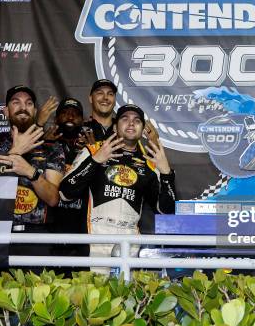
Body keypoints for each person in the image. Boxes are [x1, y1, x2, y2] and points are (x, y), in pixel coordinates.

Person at [59, 104, 176, 273]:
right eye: (125, 119)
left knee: (126, 296)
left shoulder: (150, 162)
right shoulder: (94, 149)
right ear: (115, 126)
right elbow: (65, 193)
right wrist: (95, 161)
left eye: (137, 121)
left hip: (129, 240)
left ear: (143, 129)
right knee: (94, 296)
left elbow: (166, 211)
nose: (131, 123)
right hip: (95, 238)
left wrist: (166, 174)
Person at [0, 85, 66, 270]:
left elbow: (53, 198)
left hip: (35, 238)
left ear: (35, 111)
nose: (23, 107)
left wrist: (31, 172)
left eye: (29, 103)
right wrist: (16, 152)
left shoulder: (51, 148)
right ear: (5, 111)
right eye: (16, 102)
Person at [47, 98, 90, 262]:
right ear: (56, 119)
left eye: (75, 114)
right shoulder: (45, 145)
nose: (70, 117)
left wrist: (94, 152)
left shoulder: (91, 147)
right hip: (51, 228)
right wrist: (47, 143)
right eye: (65, 113)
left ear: (83, 120)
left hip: (81, 229)